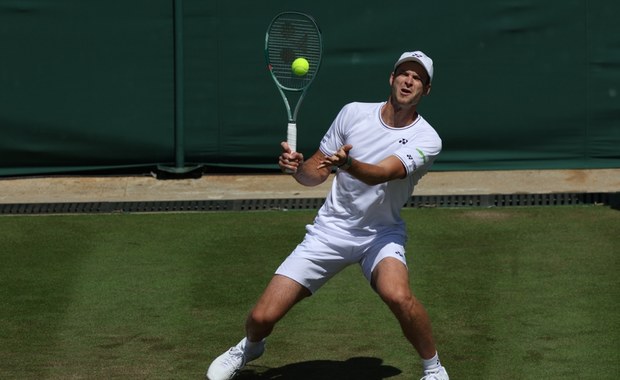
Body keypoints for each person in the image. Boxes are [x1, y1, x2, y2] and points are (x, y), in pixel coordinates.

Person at [206, 51, 449, 380]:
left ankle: (433, 369)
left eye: (417, 77)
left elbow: (380, 173)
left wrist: (347, 164)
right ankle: (250, 346)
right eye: (404, 73)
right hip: (330, 231)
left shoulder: (427, 139)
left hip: (380, 234)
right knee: (262, 317)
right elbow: (315, 173)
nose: (409, 80)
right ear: (391, 79)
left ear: (426, 90)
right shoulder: (353, 113)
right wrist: (296, 169)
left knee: (398, 295)